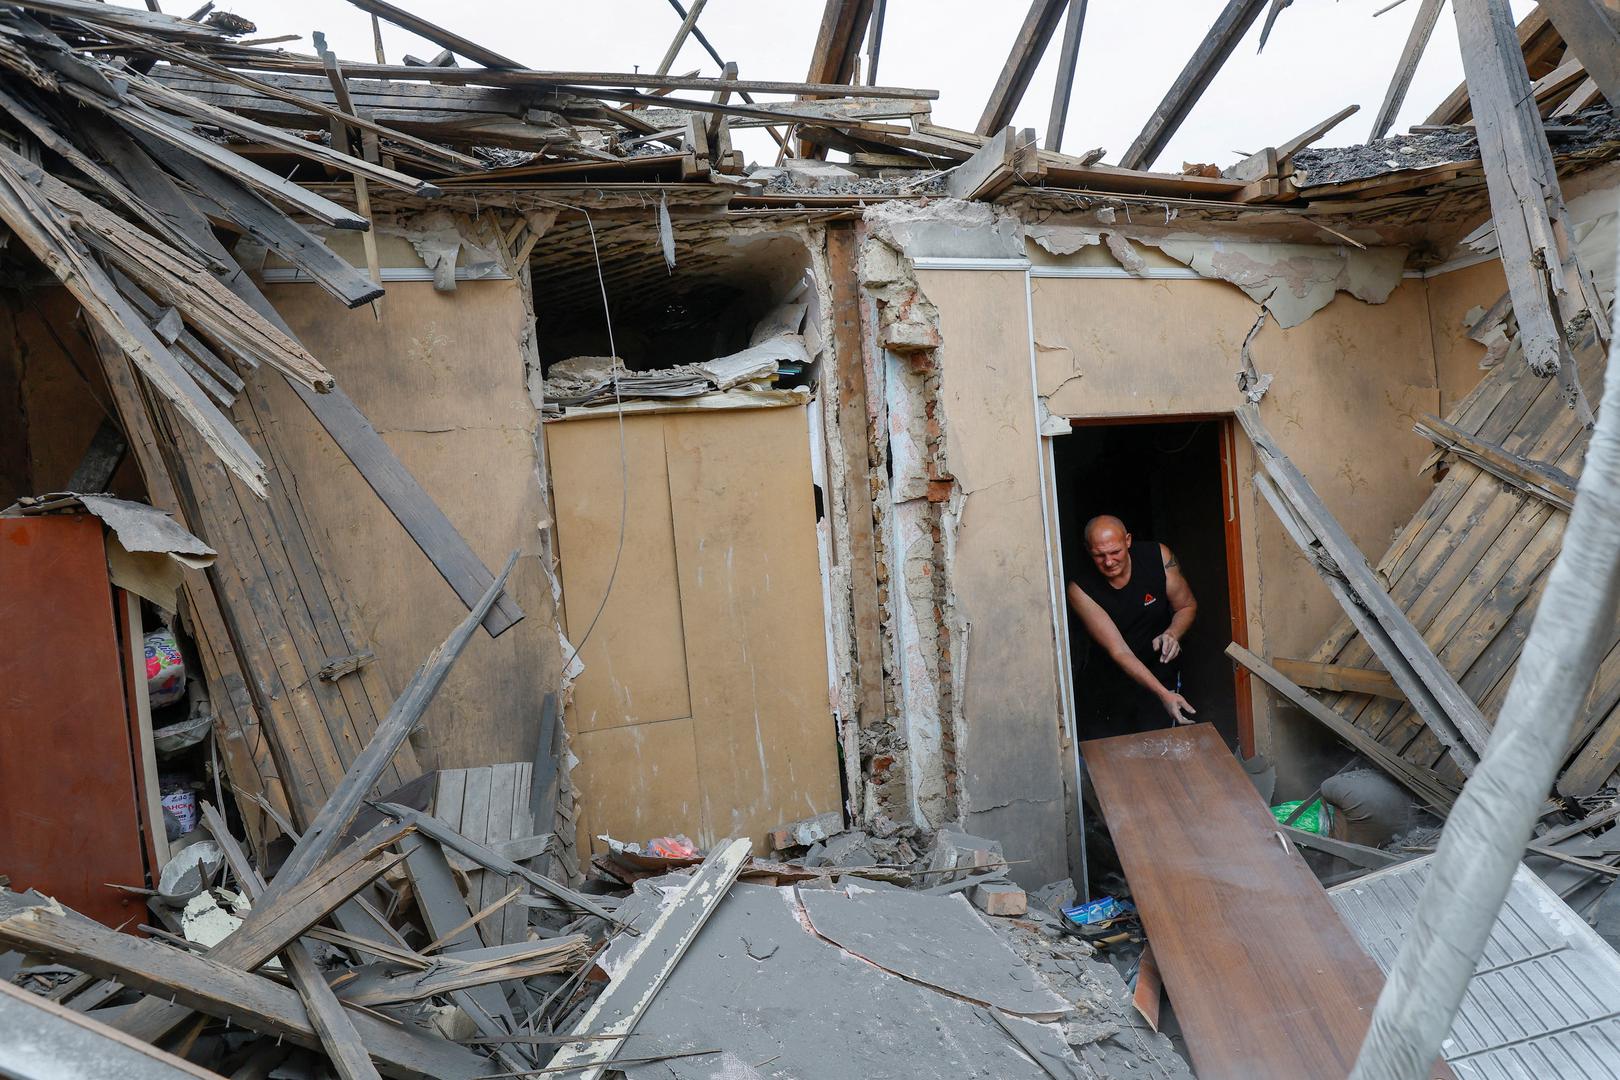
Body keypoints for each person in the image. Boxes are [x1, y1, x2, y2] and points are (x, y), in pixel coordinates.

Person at [1068, 514, 1198, 737]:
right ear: (1088, 550)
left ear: (1128, 541)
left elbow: (1186, 606)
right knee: (1115, 754)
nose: (1108, 562)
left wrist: (1172, 633)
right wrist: (1163, 694)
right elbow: (1119, 650)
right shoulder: (1080, 589)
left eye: (1115, 552)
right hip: (1109, 680)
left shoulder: (1158, 557)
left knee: (1160, 744)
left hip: (1159, 667)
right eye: (1099, 555)